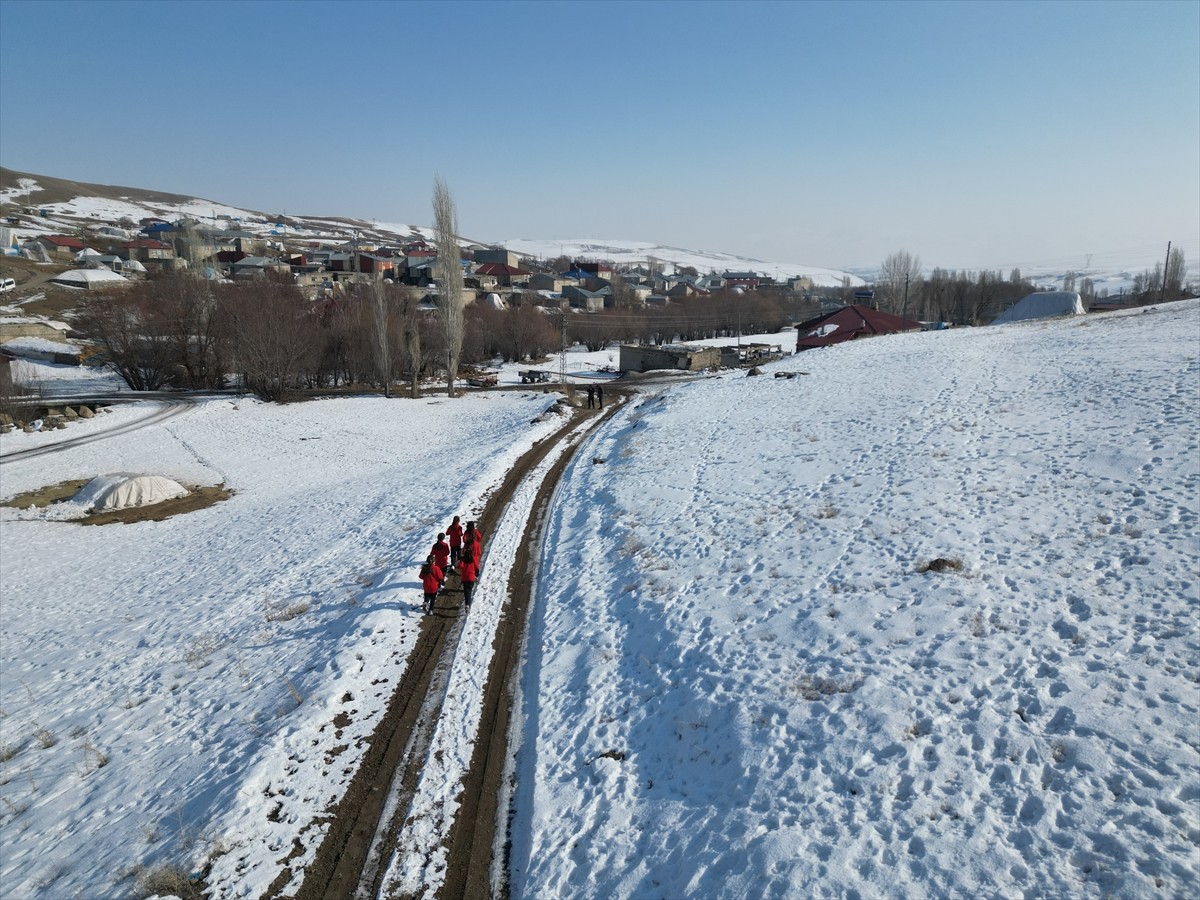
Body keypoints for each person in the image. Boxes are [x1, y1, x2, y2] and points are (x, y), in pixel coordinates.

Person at [459, 545, 478, 611]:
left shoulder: (463, 559)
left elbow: (460, 566)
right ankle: (468, 604)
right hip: (471, 577)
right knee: (469, 591)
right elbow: (476, 567)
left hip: (465, 577)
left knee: (466, 591)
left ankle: (467, 603)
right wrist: (476, 573)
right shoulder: (473, 559)